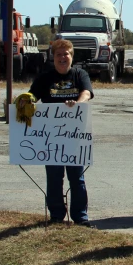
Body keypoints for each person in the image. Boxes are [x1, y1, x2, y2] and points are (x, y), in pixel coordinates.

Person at [28, 38, 94, 226]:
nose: (62, 57)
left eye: (66, 54)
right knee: (54, 178)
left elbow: (87, 93)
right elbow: (33, 94)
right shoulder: (45, 78)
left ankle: (80, 217)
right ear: (53, 57)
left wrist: (78, 104)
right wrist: (27, 99)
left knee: (77, 178)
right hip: (52, 138)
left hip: (75, 137)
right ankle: (57, 216)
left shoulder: (80, 75)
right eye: (59, 54)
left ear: (71, 57)